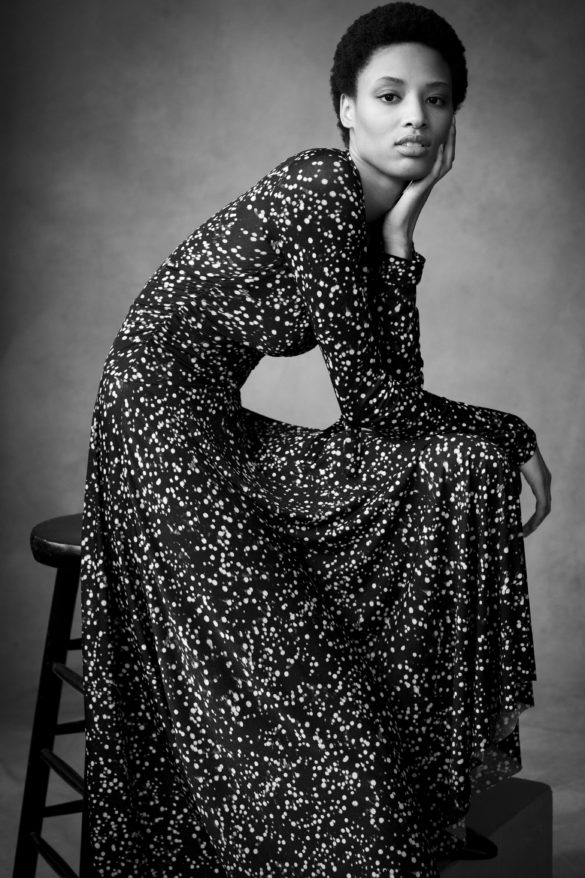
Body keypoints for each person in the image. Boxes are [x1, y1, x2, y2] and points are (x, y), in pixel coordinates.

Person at [81, 2, 551, 875]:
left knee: (454, 464)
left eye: (436, 99)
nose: (415, 118)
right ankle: (367, 825)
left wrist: (400, 236)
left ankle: (431, 793)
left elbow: (390, 394)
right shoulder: (321, 191)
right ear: (345, 108)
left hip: (217, 427)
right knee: (305, 662)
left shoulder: (363, 216)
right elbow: (377, 407)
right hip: (157, 432)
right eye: (389, 95)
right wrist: (513, 429)